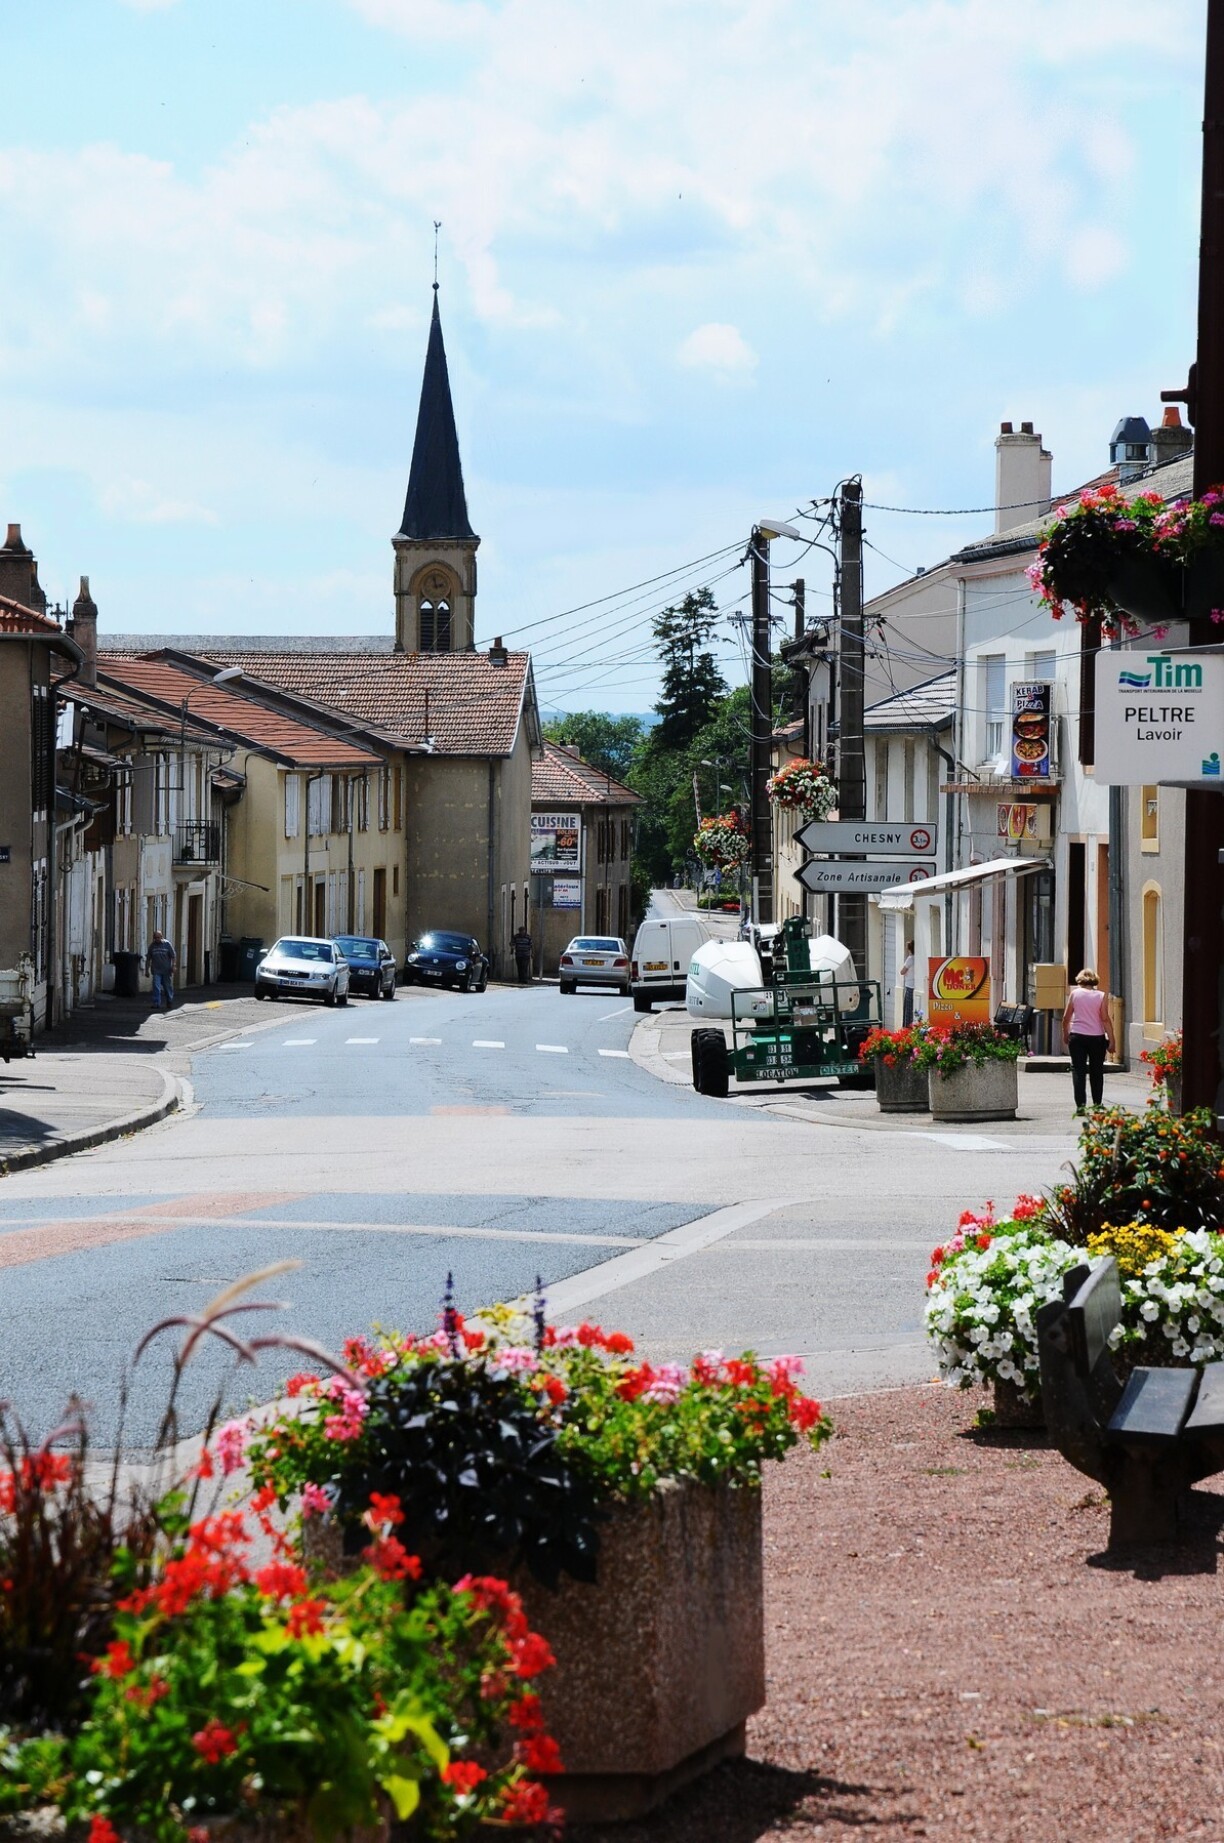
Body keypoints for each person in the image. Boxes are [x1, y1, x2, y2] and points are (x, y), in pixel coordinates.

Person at [1061, 967, 1116, 1114]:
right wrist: (1112, 1039)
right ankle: (1097, 1105)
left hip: (1077, 1036)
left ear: (1080, 980)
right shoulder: (1100, 995)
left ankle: (1080, 1106)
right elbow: (1105, 1019)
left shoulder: (1074, 994)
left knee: (1078, 1071)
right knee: (1096, 1071)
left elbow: (1066, 1018)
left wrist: (1065, 1034)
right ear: (1094, 980)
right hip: (1096, 1037)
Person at [145, 930, 177, 1012]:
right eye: (155, 938)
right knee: (156, 986)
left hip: (166, 970)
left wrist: (173, 965)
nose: (157, 939)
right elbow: (148, 959)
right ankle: (156, 1003)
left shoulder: (167, 944)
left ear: (162, 937)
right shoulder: (152, 946)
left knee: (167, 987)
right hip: (156, 970)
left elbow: (173, 956)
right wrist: (147, 970)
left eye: (158, 937)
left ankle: (169, 1000)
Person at [900, 940, 916, 1027]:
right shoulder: (917, 958)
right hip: (915, 985)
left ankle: (907, 1026)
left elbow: (902, 971)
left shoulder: (910, 959)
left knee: (908, 1009)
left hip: (909, 985)